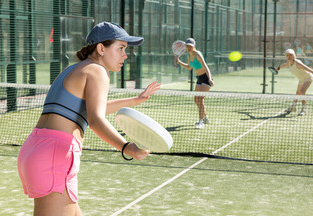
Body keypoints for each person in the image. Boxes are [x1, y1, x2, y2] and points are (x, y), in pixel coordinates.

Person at [17, 22, 161, 215]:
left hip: (39, 149)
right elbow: (95, 119)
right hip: (55, 155)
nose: (125, 55)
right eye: (120, 48)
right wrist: (128, 148)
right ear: (101, 48)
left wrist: (135, 100)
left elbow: (88, 109)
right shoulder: (98, 71)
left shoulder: (73, 69)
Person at [175, 38, 214, 129]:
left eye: (190, 46)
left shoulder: (198, 54)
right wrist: (179, 62)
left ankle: (201, 122)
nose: (189, 48)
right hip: (199, 78)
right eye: (187, 46)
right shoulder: (188, 55)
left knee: (200, 99)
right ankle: (205, 117)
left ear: (194, 46)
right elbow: (189, 67)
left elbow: (205, 66)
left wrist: (210, 78)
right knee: (196, 100)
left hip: (206, 78)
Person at [276, 49, 313, 116]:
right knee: (297, 93)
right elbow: (285, 65)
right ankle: (293, 106)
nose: (289, 56)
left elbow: (309, 69)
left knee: (301, 92)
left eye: (290, 55)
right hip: (301, 79)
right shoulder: (289, 62)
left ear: (294, 56)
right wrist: (279, 67)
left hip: (308, 78)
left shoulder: (298, 63)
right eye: (287, 55)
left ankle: (303, 110)